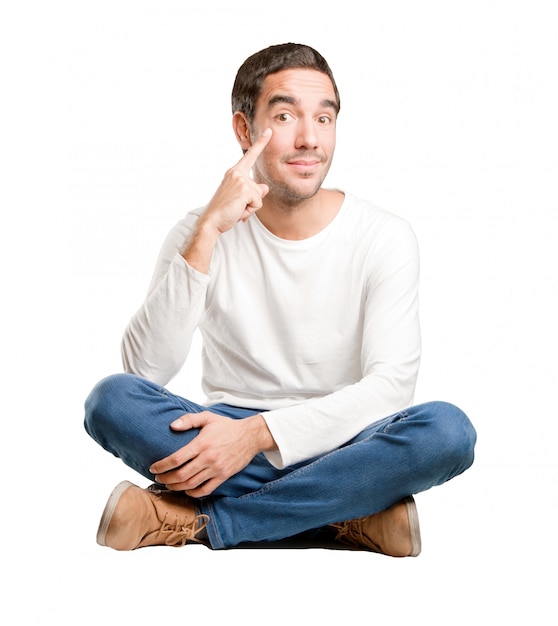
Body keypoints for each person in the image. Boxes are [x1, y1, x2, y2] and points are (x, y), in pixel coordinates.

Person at [84, 42, 476, 557]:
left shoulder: (384, 235)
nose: (310, 139)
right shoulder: (200, 229)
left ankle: (204, 522)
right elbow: (145, 371)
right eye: (286, 116)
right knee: (111, 402)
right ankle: (347, 513)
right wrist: (207, 234)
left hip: (346, 438)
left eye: (324, 118)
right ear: (244, 130)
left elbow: (390, 387)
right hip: (220, 432)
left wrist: (258, 435)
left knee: (447, 432)